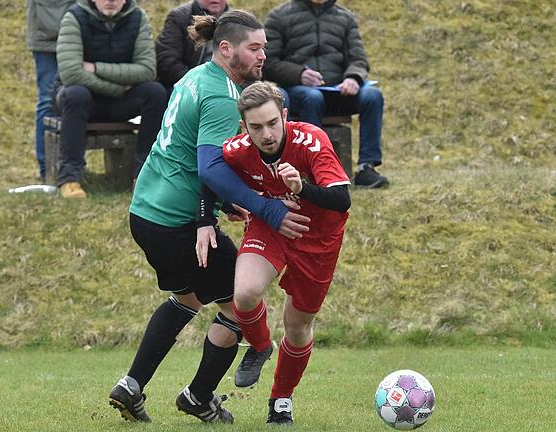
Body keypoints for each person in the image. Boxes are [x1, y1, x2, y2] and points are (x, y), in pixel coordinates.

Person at [108, 10, 310, 424]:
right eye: (254, 48)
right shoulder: (222, 95)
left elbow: (192, 158)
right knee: (240, 307)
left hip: (147, 210)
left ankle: (131, 387)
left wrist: (223, 205)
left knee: (187, 298)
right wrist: (265, 208)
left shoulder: (196, 77)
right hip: (177, 219)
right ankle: (198, 397)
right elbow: (210, 169)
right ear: (226, 48)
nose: (262, 56)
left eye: (264, 47)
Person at [198, 81, 351, 425]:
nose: (265, 134)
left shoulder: (311, 141)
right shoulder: (239, 149)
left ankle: (281, 399)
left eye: (271, 123)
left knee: (297, 327)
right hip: (271, 226)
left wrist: (302, 188)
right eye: (255, 127)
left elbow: (342, 199)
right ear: (244, 127)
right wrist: (205, 218)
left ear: (284, 116)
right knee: (245, 293)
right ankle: (260, 346)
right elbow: (210, 174)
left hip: (319, 238)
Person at [262, 0, 389, 188]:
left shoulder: (346, 18)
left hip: (339, 92)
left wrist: (353, 77)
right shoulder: (279, 16)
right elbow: (268, 63)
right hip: (298, 92)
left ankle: (366, 168)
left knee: (372, 96)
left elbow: (358, 59)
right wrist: (299, 74)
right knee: (312, 97)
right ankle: (313, 168)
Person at [53, 0, 166, 198]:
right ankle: (69, 178)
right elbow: (71, 73)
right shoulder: (74, 17)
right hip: (83, 101)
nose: (111, 1)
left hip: (120, 101)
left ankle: (144, 175)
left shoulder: (137, 18)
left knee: (155, 92)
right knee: (76, 93)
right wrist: (117, 87)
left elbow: (147, 70)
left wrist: (96, 68)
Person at [26, 0, 75, 181]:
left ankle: (72, 168)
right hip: (47, 36)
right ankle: (48, 169)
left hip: (80, 31)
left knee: (77, 97)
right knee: (48, 100)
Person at [155, 0, 230, 91]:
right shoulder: (179, 16)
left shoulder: (237, 23)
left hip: (224, 85)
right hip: (184, 85)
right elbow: (167, 61)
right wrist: (196, 82)